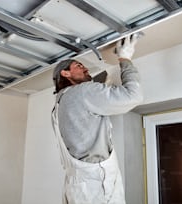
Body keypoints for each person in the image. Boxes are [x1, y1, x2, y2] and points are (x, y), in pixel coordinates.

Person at [51, 34, 143, 204]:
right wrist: (125, 58)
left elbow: (87, 97)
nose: (86, 68)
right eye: (79, 65)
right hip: (97, 184)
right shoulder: (82, 92)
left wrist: (96, 82)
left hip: (76, 185)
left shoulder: (58, 105)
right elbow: (133, 96)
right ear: (65, 73)